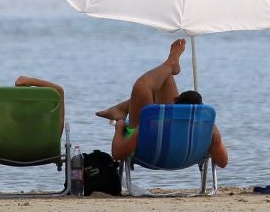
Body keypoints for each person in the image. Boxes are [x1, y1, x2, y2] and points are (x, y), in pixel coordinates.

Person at [97, 39, 228, 167]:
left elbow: (117, 154)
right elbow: (222, 162)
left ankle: (171, 63)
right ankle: (121, 108)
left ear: (175, 101)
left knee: (142, 87)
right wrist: (214, 136)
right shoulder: (208, 129)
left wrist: (119, 127)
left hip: (148, 154)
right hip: (185, 159)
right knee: (165, 79)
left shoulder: (150, 126)